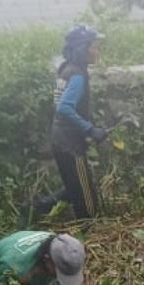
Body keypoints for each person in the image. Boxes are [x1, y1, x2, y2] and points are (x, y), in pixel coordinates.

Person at [50, 25, 107, 219]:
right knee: (87, 199)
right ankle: (90, 228)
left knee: (74, 188)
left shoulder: (66, 68)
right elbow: (64, 107)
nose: (97, 51)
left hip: (60, 139)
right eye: (94, 47)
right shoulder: (77, 75)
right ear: (83, 49)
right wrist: (90, 129)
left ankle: (38, 209)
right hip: (70, 144)